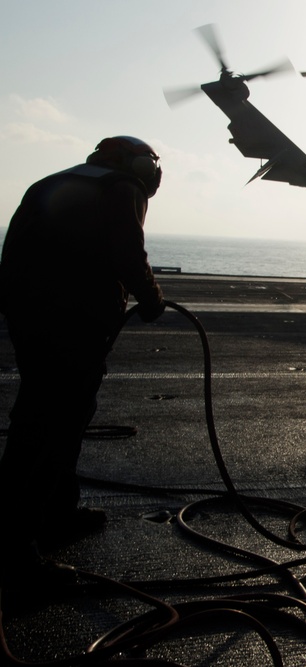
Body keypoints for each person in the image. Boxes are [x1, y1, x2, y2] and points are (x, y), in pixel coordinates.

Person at [0, 136, 166, 599]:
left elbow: (11, 255)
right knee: (52, 428)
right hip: (73, 325)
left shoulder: (49, 183)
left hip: (30, 320)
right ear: (140, 166)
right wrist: (152, 300)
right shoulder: (121, 188)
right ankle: (16, 552)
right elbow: (129, 255)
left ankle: (57, 511)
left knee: (42, 417)